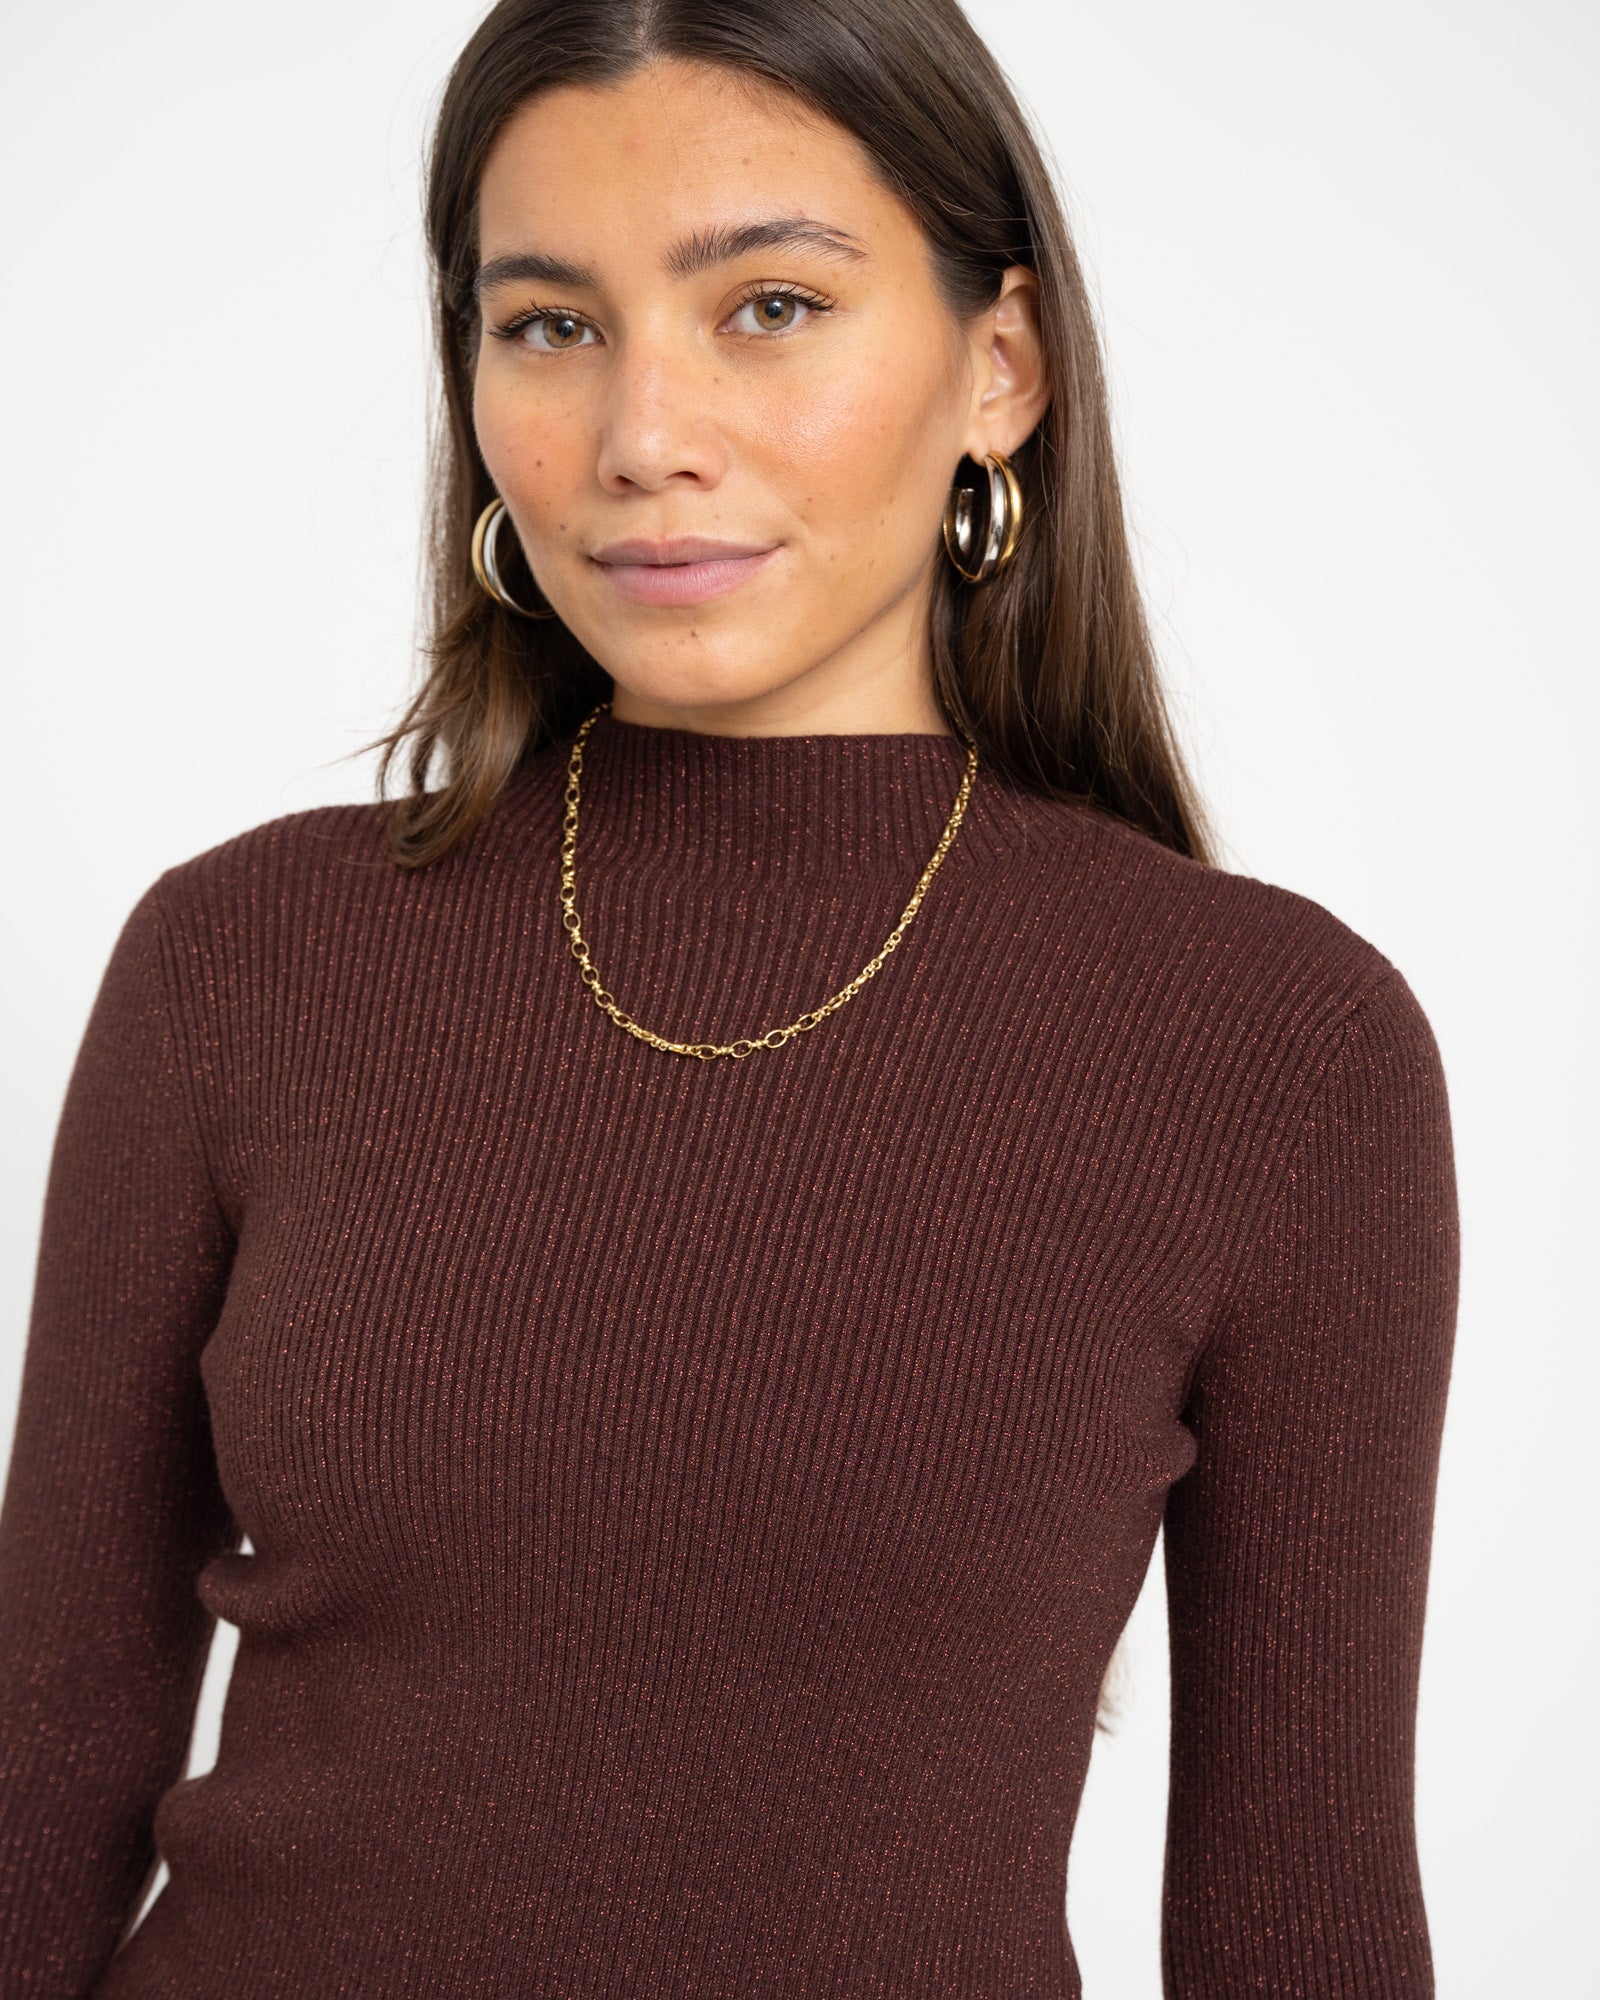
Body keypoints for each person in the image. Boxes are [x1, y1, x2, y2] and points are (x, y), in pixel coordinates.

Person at [0, 1, 1459, 1994]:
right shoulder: (239, 961)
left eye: (769, 307)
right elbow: (39, 1780)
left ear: (1001, 368)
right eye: (549, 324)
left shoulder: (1275, 1049)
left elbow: (1302, 1915)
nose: (640, 435)